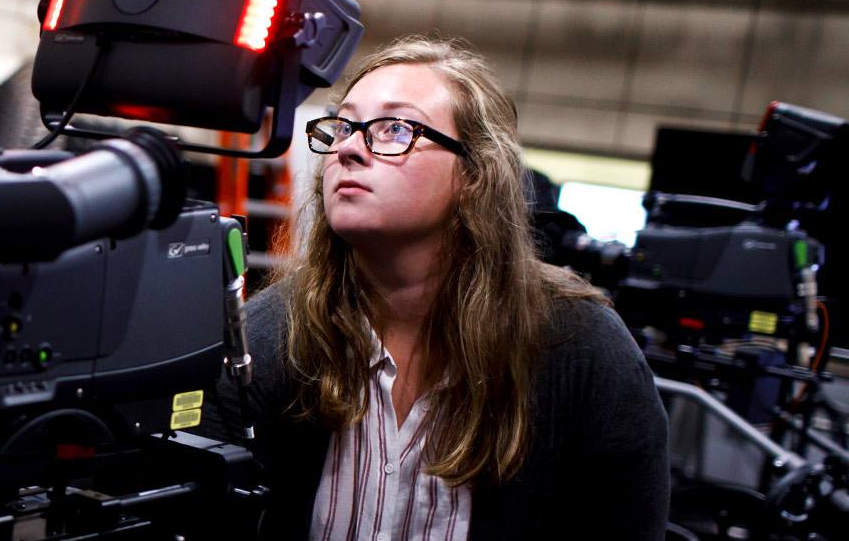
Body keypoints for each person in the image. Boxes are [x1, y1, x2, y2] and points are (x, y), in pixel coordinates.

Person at [201, 36, 668, 539]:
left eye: (396, 128)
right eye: (344, 125)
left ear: (474, 175)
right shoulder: (268, 335)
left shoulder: (581, 347)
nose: (350, 148)